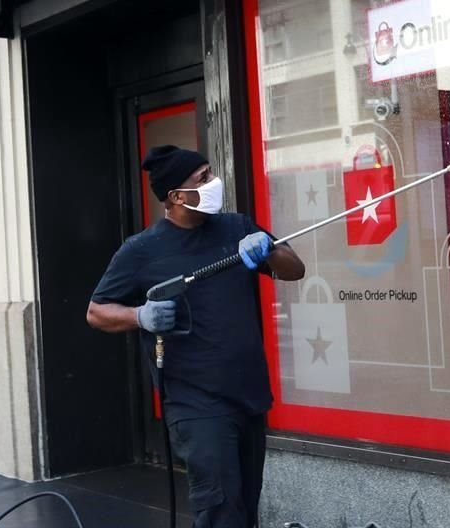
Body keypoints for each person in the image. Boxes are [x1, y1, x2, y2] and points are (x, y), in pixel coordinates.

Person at [86, 145, 305, 528]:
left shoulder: (237, 227)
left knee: (244, 508)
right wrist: (140, 315)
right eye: (202, 178)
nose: (213, 183)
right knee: (220, 509)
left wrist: (268, 251)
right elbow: (97, 311)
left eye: (210, 174)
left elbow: (294, 269)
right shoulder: (141, 251)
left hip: (249, 395)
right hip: (195, 402)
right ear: (175, 196)